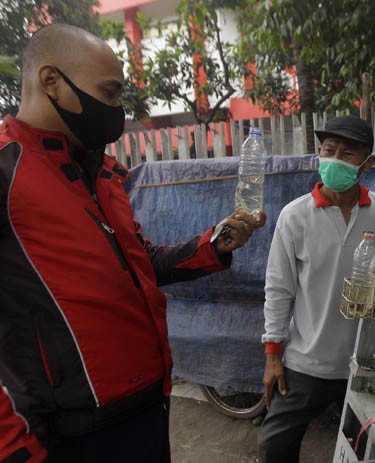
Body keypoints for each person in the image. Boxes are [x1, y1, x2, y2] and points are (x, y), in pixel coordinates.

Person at [0, 24, 265, 462]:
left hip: (148, 407)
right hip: (66, 435)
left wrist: (216, 244)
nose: (116, 110)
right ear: (51, 81)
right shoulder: (7, 173)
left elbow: (139, 263)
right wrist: (14, 450)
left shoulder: (100, 172)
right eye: (109, 93)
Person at [258, 115, 375, 462]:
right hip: (304, 364)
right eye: (329, 150)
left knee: (367, 452)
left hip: (362, 365)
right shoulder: (295, 216)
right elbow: (279, 288)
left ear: (367, 164)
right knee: (274, 447)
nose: (335, 160)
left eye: (347, 154)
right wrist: (272, 356)